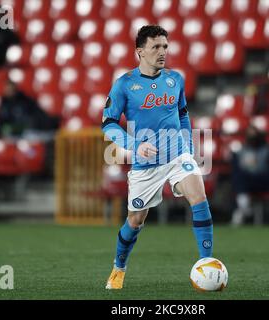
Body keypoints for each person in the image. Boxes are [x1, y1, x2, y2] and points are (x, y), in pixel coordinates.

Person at [101, 25, 213, 289]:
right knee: (135, 221)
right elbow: (108, 124)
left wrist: (187, 145)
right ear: (140, 51)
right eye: (156, 47)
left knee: (199, 197)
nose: (163, 52)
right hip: (145, 164)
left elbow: (183, 113)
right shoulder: (125, 84)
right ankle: (119, 266)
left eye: (165, 46)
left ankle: (207, 264)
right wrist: (134, 145)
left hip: (176, 155)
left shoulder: (176, 80)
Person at [231, 125, 269, 226]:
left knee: (243, 179)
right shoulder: (240, 151)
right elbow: (236, 169)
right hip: (246, 181)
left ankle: (243, 209)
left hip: (263, 181)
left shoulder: (268, 150)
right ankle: (244, 208)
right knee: (240, 178)